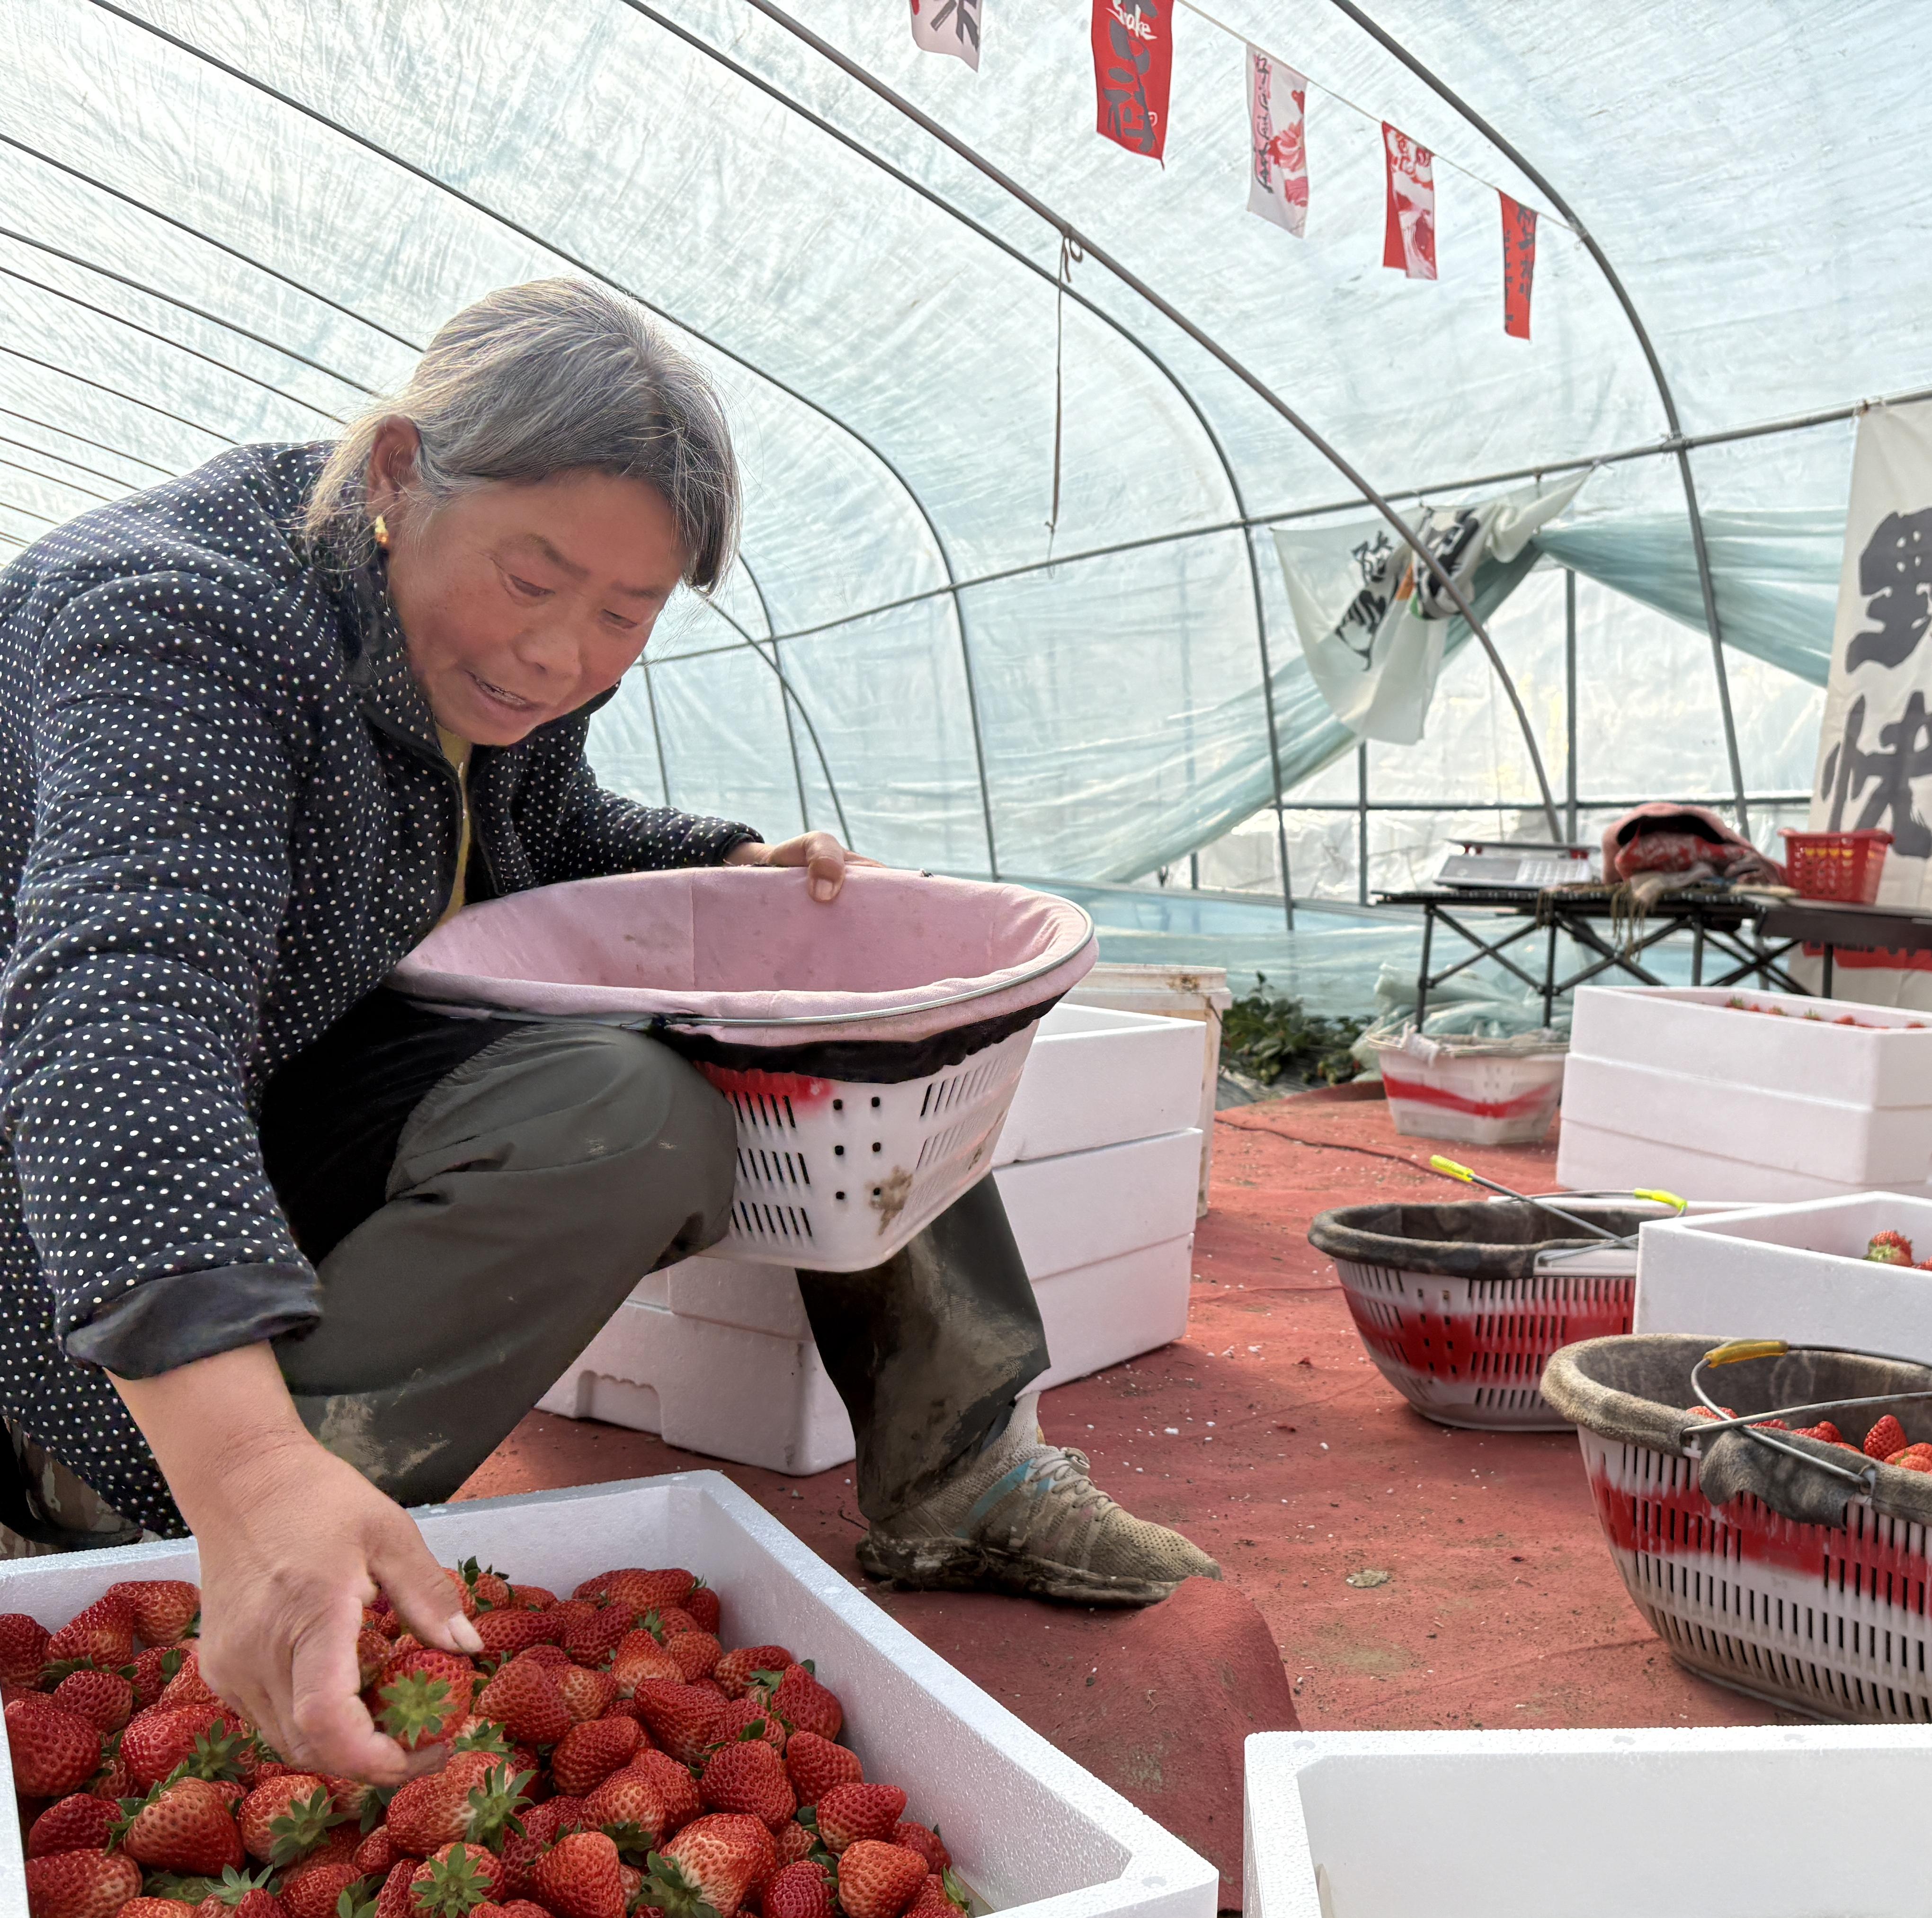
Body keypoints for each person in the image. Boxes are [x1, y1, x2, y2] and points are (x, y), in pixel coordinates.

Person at [0, 280, 1215, 1788]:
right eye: (535, 579)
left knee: (810, 1000)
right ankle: (187, 1526)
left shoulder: (482, 645)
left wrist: (732, 869)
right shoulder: (180, 622)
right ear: (398, 472)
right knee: (624, 1117)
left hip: (277, 1087)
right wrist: (243, 1466)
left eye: (623, 616)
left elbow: (541, 822)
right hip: (54, 1223)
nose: (559, 654)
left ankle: (955, 1472)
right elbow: (115, 1025)